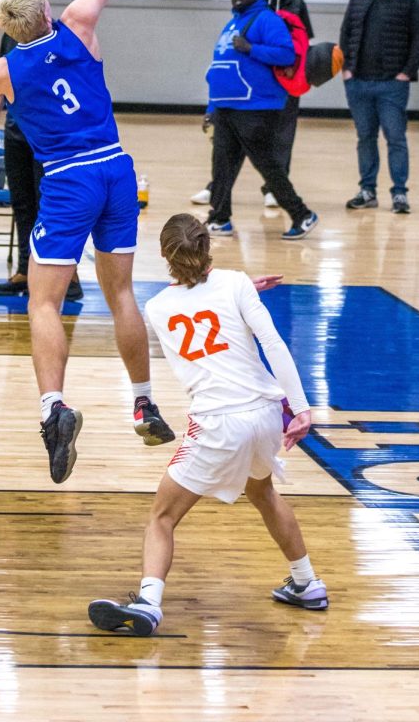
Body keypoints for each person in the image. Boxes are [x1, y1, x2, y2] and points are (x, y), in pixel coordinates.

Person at [0, 0, 175, 484]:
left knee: (43, 303)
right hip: (116, 167)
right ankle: (143, 402)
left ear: (10, 25)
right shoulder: (81, 23)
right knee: (121, 292)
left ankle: (54, 408)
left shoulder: (9, 68)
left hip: (67, 180)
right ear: (47, 7)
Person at [87, 213, 328, 637]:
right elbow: (271, 343)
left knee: (162, 517)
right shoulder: (235, 284)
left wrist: (235, 293)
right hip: (266, 416)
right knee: (262, 491)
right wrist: (302, 406)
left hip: (218, 424)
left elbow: (197, 309)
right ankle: (306, 582)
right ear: (207, 248)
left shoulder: (158, 307)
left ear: (164, 256)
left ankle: (149, 602)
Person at [0, 0, 82, 303]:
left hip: (48, 137)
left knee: (48, 205)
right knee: (22, 203)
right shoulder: (15, 38)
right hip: (16, 131)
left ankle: (67, 275)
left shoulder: (62, 38)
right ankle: (25, 268)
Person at [205, 0, 318, 241]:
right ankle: (220, 219)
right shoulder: (233, 22)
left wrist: (252, 48)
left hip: (256, 106)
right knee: (221, 164)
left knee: (266, 164)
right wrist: (212, 106)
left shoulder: (267, 20)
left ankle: (302, 215)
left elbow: (286, 54)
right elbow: (218, 67)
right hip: (226, 107)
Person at [339, 0, 419, 215]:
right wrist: (346, 70)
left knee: (396, 138)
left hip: (392, 83)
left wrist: (405, 73)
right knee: (365, 138)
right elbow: (346, 32)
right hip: (359, 82)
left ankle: (399, 193)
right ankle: (367, 190)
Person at [260, 0, 314, 209]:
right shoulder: (256, 1)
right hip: (257, 79)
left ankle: (274, 188)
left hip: (287, 79)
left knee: (283, 135)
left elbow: (305, 42)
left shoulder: (297, 3)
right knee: (245, 133)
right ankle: (216, 186)